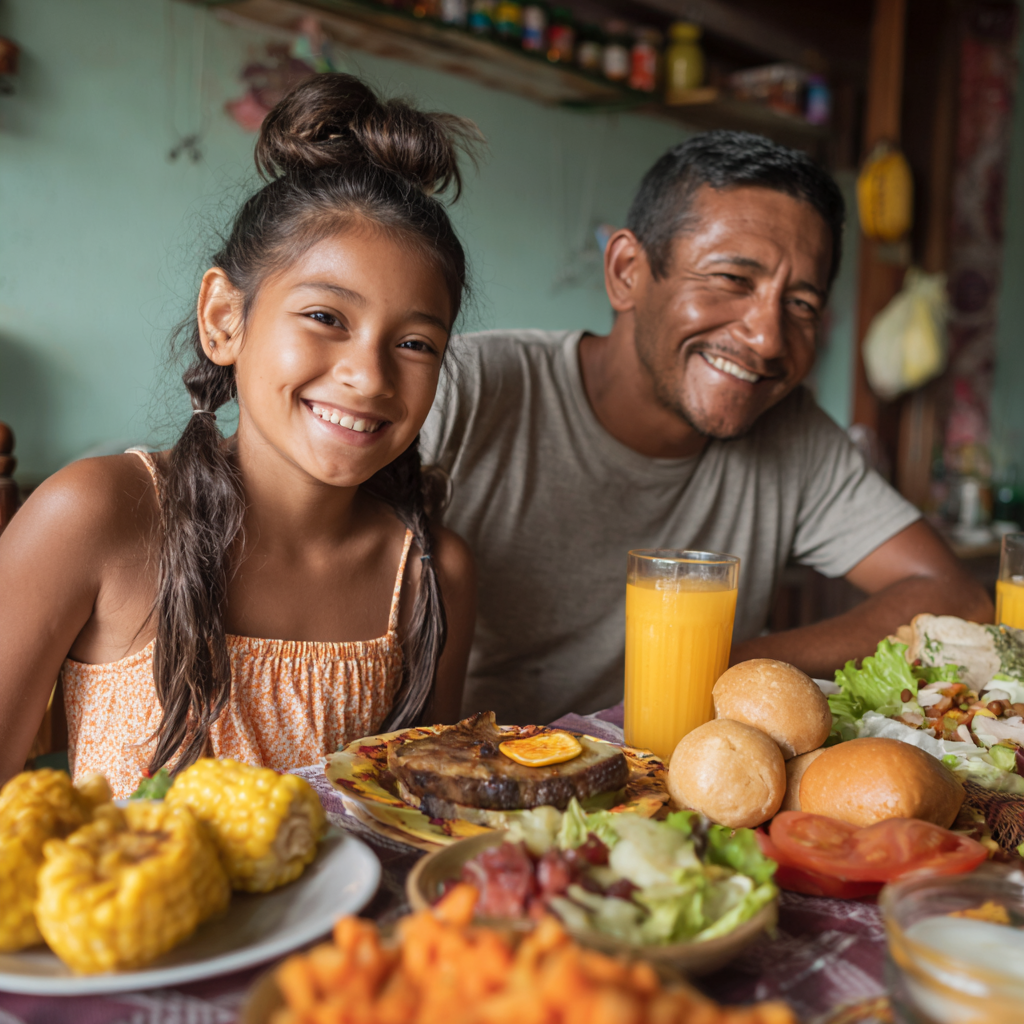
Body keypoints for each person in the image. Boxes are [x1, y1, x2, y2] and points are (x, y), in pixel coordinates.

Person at [0, 75, 478, 794]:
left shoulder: (430, 576)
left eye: (415, 344)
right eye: (326, 317)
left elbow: (423, 826)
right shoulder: (97, 515)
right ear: (225, 318)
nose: (369, 376)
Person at [422, 130, 992, 726]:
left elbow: (955, 596)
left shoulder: (791, 432)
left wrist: (727, 669)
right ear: (626, 272)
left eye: (800, 304)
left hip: (677, 795)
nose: (768, 339)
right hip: (471, 788)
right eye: (732, 280)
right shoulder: (467, 384)